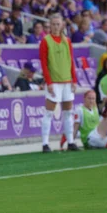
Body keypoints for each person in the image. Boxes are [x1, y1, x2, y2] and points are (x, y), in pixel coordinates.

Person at [39, 13, 78, 153]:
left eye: (58, 24)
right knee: (49, 113)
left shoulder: (67, 41)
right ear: (50, 25)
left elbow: (71, 61)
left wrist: (74, 79)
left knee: (68, 113)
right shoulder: (46, 41)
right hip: (54, 82)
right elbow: (44, 63)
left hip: (67, 80)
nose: (56, 26)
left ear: (62, 25)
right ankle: (45, 144)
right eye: (53, 24)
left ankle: (71, 142)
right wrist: (48, 82)